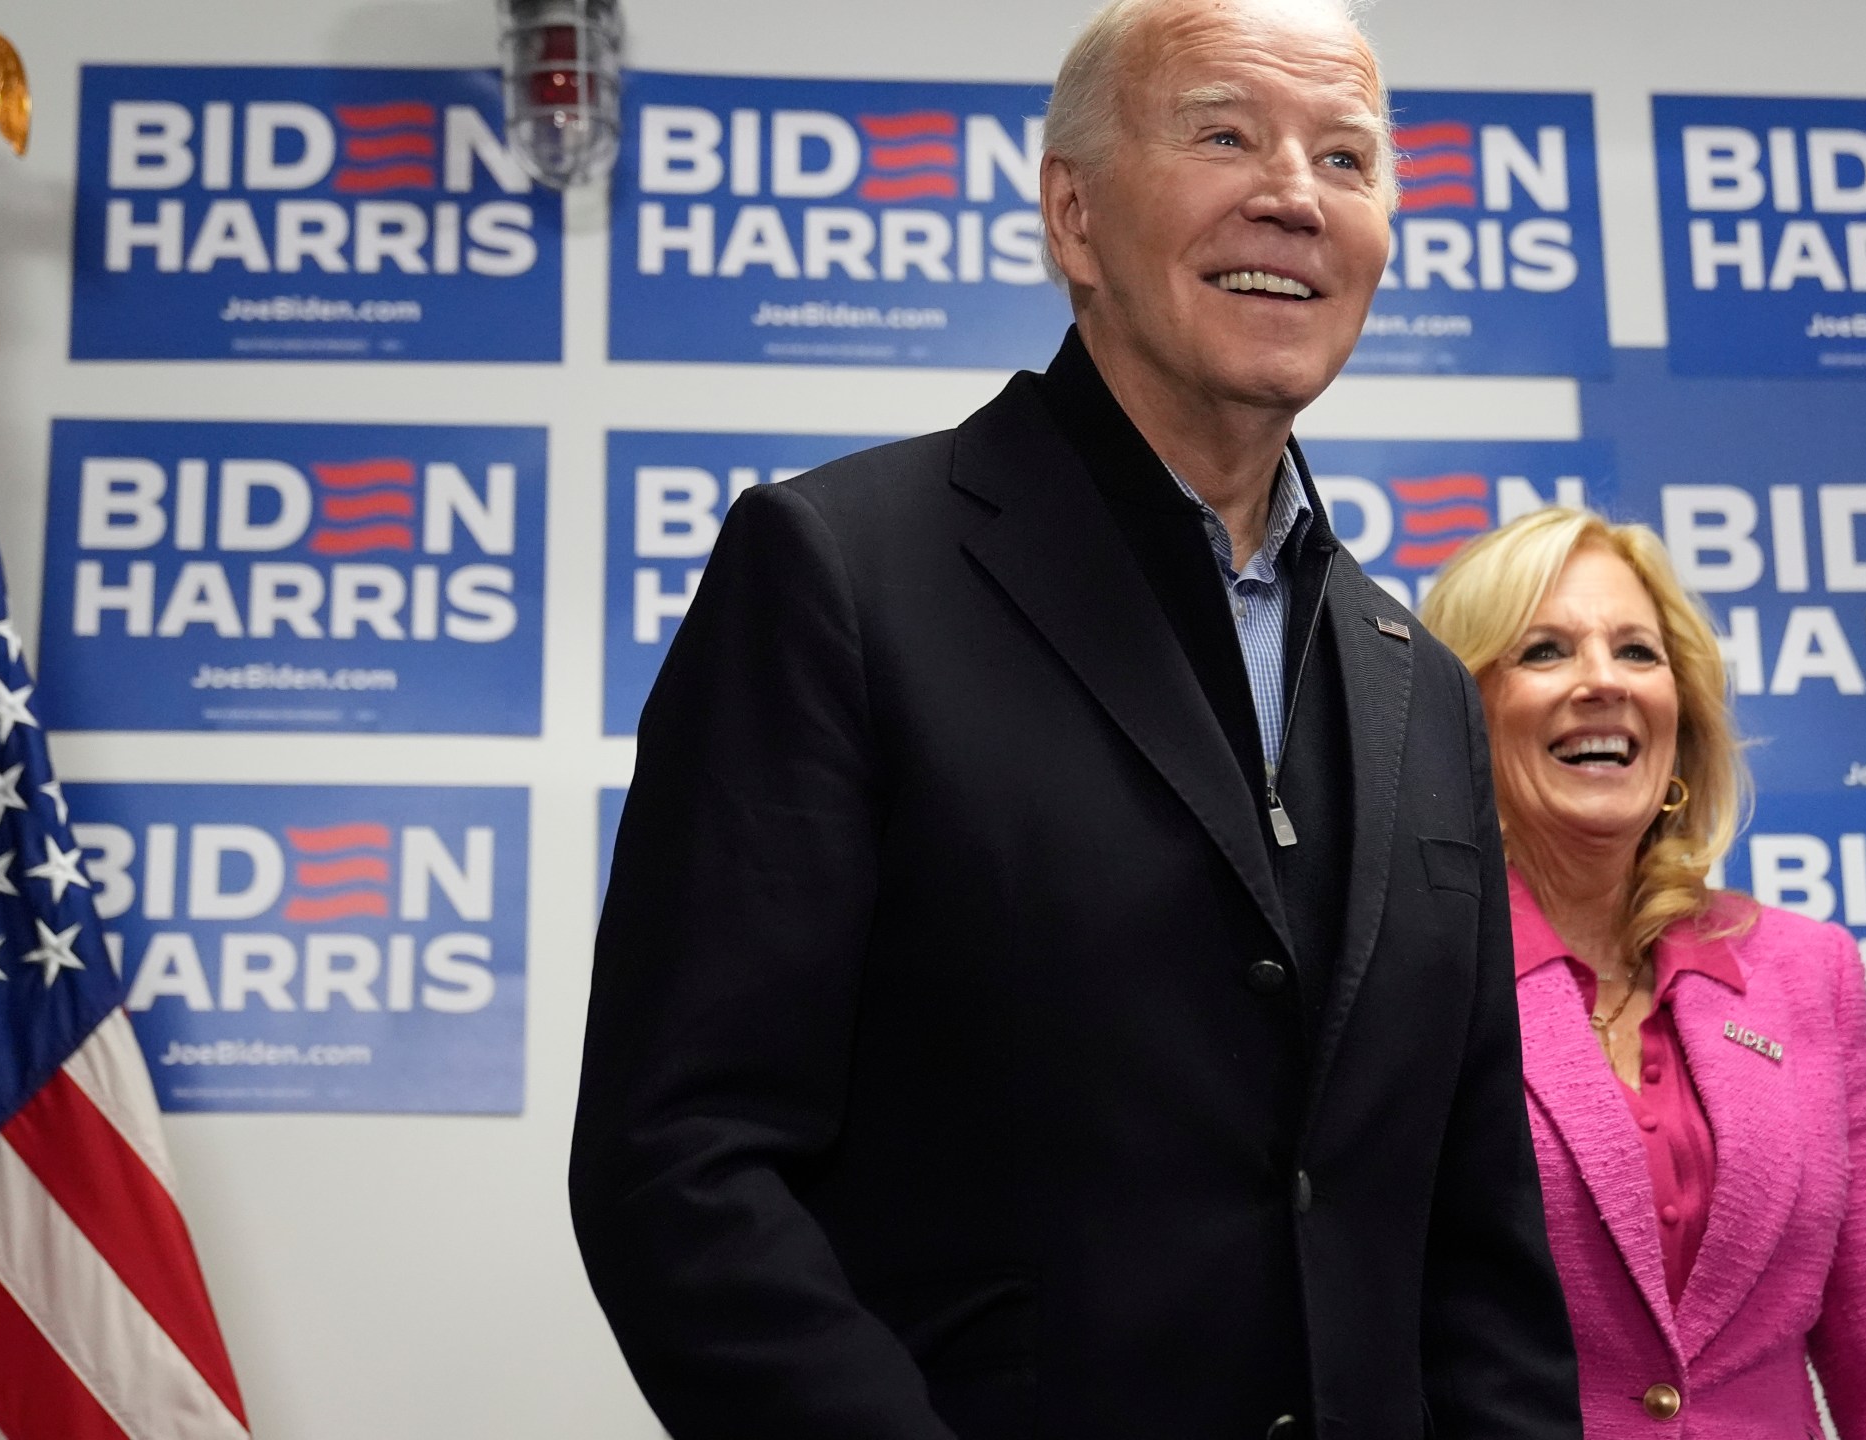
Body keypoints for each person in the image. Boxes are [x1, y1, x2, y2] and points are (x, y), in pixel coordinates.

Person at [568, 1, 1582, 1436]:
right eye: (1224, 132)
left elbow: (1476, 1246)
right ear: (1075, 216)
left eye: (1347, 158)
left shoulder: (1418, 680)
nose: (1293, 194)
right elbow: (681, 1160)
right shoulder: (838, 575)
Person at [1419, 507, 1866, 1439]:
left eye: (1638, 653)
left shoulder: (1809, 971)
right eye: (1547, 650)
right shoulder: (1411, 974)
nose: (1604, 680)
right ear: (1461, 709)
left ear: (1679, 718)